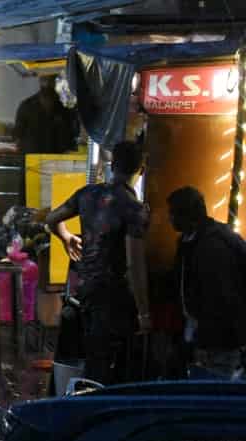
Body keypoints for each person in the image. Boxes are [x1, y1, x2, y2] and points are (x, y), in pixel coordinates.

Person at [44, 140, 151, 385]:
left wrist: (66, 237)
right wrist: (144, 313)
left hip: (87, 289)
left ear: (112, 164)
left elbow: (52, 218)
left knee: (93, 353)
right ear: (141, 170)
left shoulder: (87, 194)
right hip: (114, 295)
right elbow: (134, 264)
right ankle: (98, 410)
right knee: (109, 362)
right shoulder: (134, 210)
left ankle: (85, 404)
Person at [167, 186, 246, 380]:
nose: (169, 219)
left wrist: (202, 336)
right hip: (211, 335)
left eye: (172, 214)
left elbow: (220, 297)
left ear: (185, 216)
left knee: (214, 387)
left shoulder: (211, 247)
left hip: (217, 339)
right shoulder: (205, 238)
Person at [13, 75, 81, 156]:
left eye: (51, 79)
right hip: (33, 163)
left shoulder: (67, 107)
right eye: (45, 78)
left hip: (61, 161)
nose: (47, 83)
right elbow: (18, 136)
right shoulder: (26, 106)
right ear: (40, 79)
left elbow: (75, 135)